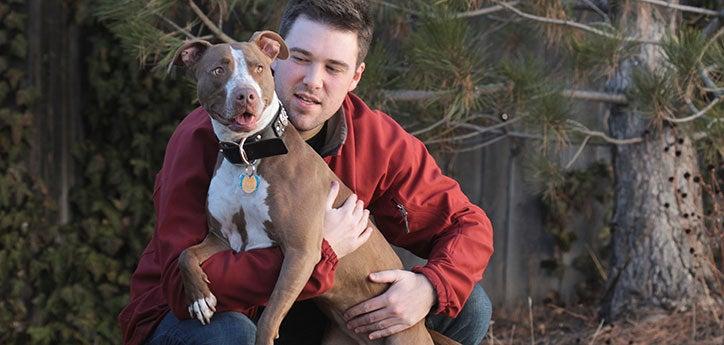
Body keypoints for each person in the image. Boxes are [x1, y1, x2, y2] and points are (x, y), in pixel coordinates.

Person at [118, 1, 494, 344]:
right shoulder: (204, 137)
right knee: (231, 335)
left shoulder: (375, 140)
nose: (313, 80)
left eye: (334, 68)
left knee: (465, 303)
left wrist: (428, 287)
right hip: (209, 315)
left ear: (356, 77)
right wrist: (319, 253)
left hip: (319, 314)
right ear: (275, 58)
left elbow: (467, 225)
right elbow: (183, 291)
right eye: (300, 58)